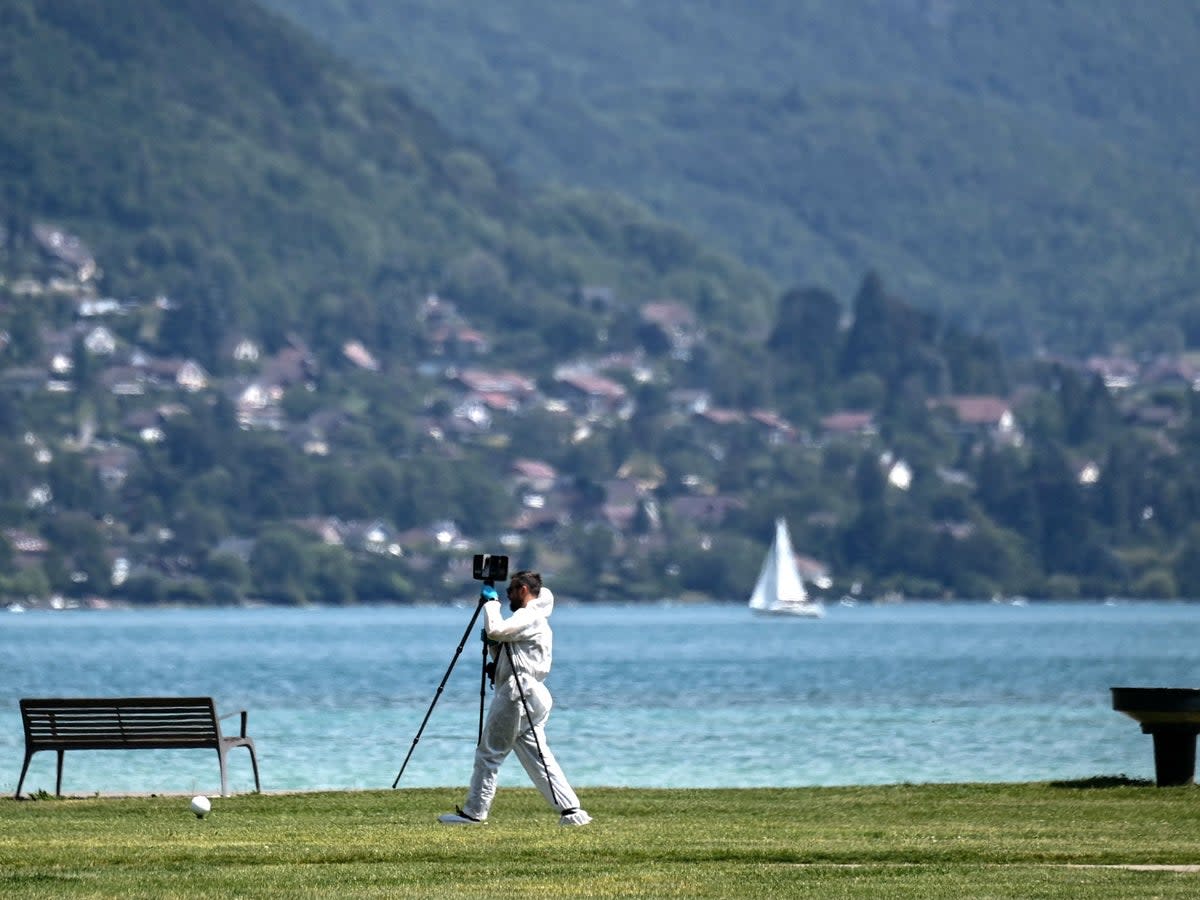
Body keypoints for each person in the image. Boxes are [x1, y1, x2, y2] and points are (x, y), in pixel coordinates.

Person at [438, 570, 591, 826]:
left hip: (517, 694)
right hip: (532, 694)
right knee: (539, 757)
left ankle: (474, 813)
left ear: (523, 590)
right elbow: (506, 650)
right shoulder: (533, 618)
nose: (506, 595)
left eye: (510, 590)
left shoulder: (529, 616)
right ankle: (572, 811)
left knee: (489, 754)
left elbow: (497, 629)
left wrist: (490, 603)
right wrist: (493, 644)